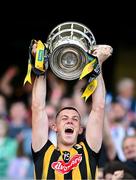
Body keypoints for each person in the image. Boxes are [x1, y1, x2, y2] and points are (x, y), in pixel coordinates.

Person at [31, 43, 113, 179]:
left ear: (80, 129)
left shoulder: (88, 151)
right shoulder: (43, 151)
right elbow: (38, 107)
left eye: (75, 119)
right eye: (64, 118)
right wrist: (41, 63)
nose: (70, 120)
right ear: (54, 127)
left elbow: (98, 108)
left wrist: (98, 63)